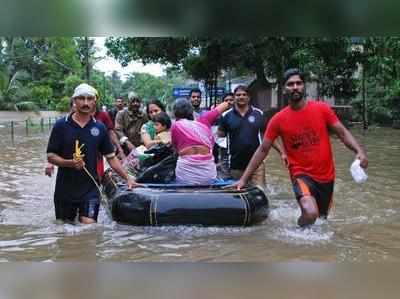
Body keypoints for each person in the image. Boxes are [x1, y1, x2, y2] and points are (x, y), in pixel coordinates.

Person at [236, 68, 368, 227]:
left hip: (327, 176)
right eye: (290, 84)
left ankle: (305, 242)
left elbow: (342, 132)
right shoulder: (278, 120)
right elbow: (263, 149)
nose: (295, 87)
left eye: (298, 83)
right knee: (310, 212)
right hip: (300, 174)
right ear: (284, 89)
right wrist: (243, 179)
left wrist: (359, 151)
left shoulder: (322, 109)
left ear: (303, 86)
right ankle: (297, 235)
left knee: (321, 220)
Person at [46, 83, 139, 224]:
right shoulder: (61, 126)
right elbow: (51, 156)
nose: (85, 103)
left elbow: (111, 158)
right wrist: (69, 163)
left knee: (89, 227)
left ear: (94, 101)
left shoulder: (99, 128)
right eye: (81, 99)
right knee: (63, 228)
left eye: (89, 99)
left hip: (90, 188)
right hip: (65, 189)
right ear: (74, 101)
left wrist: (128, 178)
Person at [218, 85, 284, 189]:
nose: (241, 97)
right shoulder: (226, 116)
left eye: (244, 95)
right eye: (238, 95)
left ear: (249, 97)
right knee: (239, 195)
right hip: (236, 165)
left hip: (257, 164)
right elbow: (220, 136)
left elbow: (269, 136)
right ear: (234, 97)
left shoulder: (258, 114)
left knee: (260, 192)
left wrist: (282, 152)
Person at [171, 98, 231, 185]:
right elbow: (224, 106)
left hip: (186, 170)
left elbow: (175, 148)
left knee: (186, 196)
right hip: (206, 170)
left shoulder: (176, 126)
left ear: (175, 113)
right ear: (191, 111)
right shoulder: (204, 120)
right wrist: (228, 103)